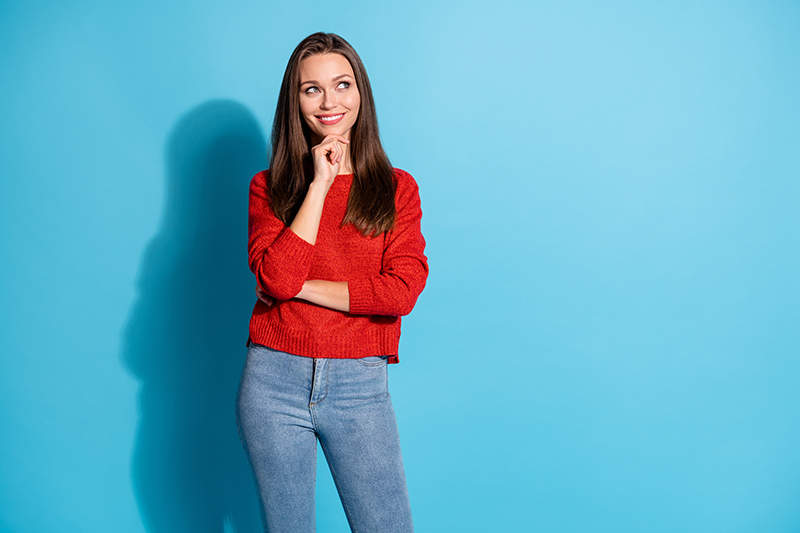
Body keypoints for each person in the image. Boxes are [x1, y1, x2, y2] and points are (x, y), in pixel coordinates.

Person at [236, 32, 428, 533]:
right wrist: (319, 184)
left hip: (359, 384)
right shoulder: (269, 185)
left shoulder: (396, 188)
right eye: (311, 89)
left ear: (360, 93)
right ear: (294, 101)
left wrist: (296, 287)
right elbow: (276, 273)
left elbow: (400, 292)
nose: (329, 102)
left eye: (342, 85)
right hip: (272, 381)